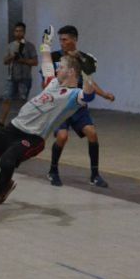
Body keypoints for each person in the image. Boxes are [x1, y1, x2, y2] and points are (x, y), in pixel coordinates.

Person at [0, 28, 96, 222]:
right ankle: (4, 184)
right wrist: (45, 42)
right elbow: (45, 59)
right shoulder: (53, 83)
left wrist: (87, 73)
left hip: (31, 138)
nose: (56, 69)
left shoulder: (72, 96)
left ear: (71, 72)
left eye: (61, 67)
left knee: (7, 162)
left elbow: (89, 95)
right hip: (13, 128)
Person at [46, 25, 115, 188]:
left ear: (74, 40)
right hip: (60, 104)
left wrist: (104, 94)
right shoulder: (54, 57)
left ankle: (95, 175)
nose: (62, 43)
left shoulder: (84, 58)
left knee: (92, 133)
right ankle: (53, 171)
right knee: (62, 137)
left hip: (78, 104)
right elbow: (48, 79)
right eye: (60, 40)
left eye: (65, 39)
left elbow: (89, 81)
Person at [0, 22, 38, 129]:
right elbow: (5, 61)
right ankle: (1, 122)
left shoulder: (30, 46)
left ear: (24, 32)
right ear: (14, 32)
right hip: (11, 77)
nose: (18, 33)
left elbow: (35, 62)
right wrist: (12, 57)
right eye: (16, 31)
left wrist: (23, 60)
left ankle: (22, 123)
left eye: (21, 31)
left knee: (22, 101)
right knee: (6, 99)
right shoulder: (11, 45)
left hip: (24, 77)